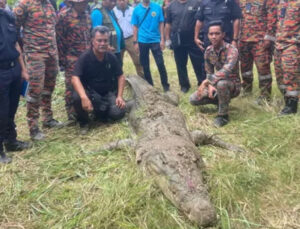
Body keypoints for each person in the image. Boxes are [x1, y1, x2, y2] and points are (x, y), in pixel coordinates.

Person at [14, 0, 62, 141]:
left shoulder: (49, 4)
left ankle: (48, 118)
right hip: (35, 55)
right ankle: (33, 128)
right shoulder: (23, 5)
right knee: (35, 91)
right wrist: (23, 53)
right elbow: (14, 31)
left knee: (49, 87)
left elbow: (53, 28)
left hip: (52, 53)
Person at [71, 26, 126, 133]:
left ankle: (101, 112)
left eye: (105, 41)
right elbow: (74, 78)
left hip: (107, 93)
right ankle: (84, 122)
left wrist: (119, 96)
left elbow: (121, 76)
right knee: (77, 97)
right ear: (92, 41)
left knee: (117, 113)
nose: (102, 43)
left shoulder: (111, 57)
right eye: (99, 40)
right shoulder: (85, 57)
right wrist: (84, 97)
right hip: (90, 93)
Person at [190, 21, 241, 127]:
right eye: (211, 34)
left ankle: (223, 116)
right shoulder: (208, 51)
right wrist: (209, 86)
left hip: (232, 85)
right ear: (208, 35)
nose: (213, 37)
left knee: (222, 84)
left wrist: (207, 82)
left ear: (223, 35)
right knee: (194, 99)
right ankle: (221, 101)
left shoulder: (232, 50)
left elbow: (226, 70)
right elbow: (209, 72)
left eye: (217, 33)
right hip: (216, 82)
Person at [0, 5, 30, 163]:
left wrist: (23, 69)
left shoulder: (8, 16)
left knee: (12, 108)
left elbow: (16, 44)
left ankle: (11, 140)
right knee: (1, 111)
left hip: (14, 69)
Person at [56, 0, 91, 123]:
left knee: (86, 83)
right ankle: (72, 114)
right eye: (82, 3)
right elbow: (59, 39)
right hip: (71, 57)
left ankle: (85, 109)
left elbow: (89, 35)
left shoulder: (87, 15)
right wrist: (63, 59)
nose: (84, 5)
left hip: (86, 57)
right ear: (73, 4)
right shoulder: (63, 16)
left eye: (86, 3)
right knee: (71, 86)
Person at [239, 0, 277, 103]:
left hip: (260, 40)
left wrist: (269, 37)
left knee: (263, 68)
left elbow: (272, 17)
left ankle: (265, 95)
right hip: (243, 39)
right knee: (245, 68)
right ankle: (246, 90)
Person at [165, 0, 205, 93]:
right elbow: (168, 24)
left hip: (193, 40)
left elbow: (201, 20)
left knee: (198, 63)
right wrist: (167, 39)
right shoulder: (171, 6)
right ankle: (184, 86)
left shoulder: (196, 3)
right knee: (180, 64)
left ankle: (202, 83)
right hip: (178, 41)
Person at [131, 0, 170, 92]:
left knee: (160, 63)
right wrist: (135, 42)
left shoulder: (157, 7)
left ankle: (165, 85)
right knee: (145, 65)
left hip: (155, 40)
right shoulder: (136, 10)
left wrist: (162, 39)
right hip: (142, 40)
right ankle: (150, 85)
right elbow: (135, 26)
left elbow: (161, 23)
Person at [274, 0, 299, 115]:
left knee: (291, 75)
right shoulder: (281, 2)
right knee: (279, 75)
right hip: (279, 43)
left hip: (292, 44)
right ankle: (286, 100)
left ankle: (292, 106)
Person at [113, 0, 144, 77]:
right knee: (118, 62)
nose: (122, 2)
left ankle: (143, 79)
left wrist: (136, 40)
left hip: (131, 38)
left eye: (124, 0)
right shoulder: (113, 11)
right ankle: (117, 81)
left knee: (138, 61)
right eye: (120, 0)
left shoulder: (133, 10)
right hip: (118, 40)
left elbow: (137, 25)